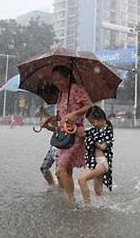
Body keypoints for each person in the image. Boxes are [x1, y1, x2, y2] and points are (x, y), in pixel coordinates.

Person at [43, 65, 92, 205]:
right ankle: (72, 198)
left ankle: (70, 199)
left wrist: (75, 114)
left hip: (75, 133)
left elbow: (89, 106)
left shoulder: (77, 89)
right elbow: (62, 116)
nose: (57, 83)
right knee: (67, 170)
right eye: (55, 80)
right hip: (63, 135)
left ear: (68, 77)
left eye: (60, 79)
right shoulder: (61, 94)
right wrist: (51, 119)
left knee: (60, 170)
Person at [78, 106, 114, 205]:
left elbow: (103, 146)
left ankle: (87, 205)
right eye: (91, 123)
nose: (94, 125)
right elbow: (82, 135)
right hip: (95, 163)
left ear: (101, 118)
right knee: (98, 192)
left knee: (82, 180)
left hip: (102, 163)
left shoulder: (108, 129)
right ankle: (107, 206)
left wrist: (92, 140)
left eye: (94, 122)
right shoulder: (93, 131)